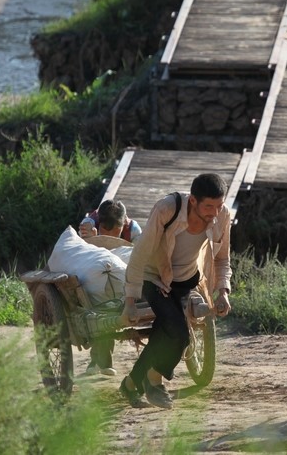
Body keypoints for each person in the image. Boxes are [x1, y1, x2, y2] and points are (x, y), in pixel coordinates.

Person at [118, 173, 232, 409]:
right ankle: (154, 382)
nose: (214, 212)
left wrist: (223, 292)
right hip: (154, 277)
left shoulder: (222, 216)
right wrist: (130, 301)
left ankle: (130, 384)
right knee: (180, 336)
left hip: (185, 279)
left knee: (164, 332)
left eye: (218, 206)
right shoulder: (167, 209)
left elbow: (222, 258)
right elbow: (139, 255)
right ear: (193, 201)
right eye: (208, 206)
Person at [81, 199, 140, 376]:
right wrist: (90, 237)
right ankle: (100, 360)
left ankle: (99, 360)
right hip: (99, 276)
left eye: (117, 233)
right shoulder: (90, 222)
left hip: (124, 281)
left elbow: (141, 252)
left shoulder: (134, 229)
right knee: (101, 305)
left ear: (124, 224)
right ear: (99, 225)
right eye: (105, 234)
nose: (112, 239)